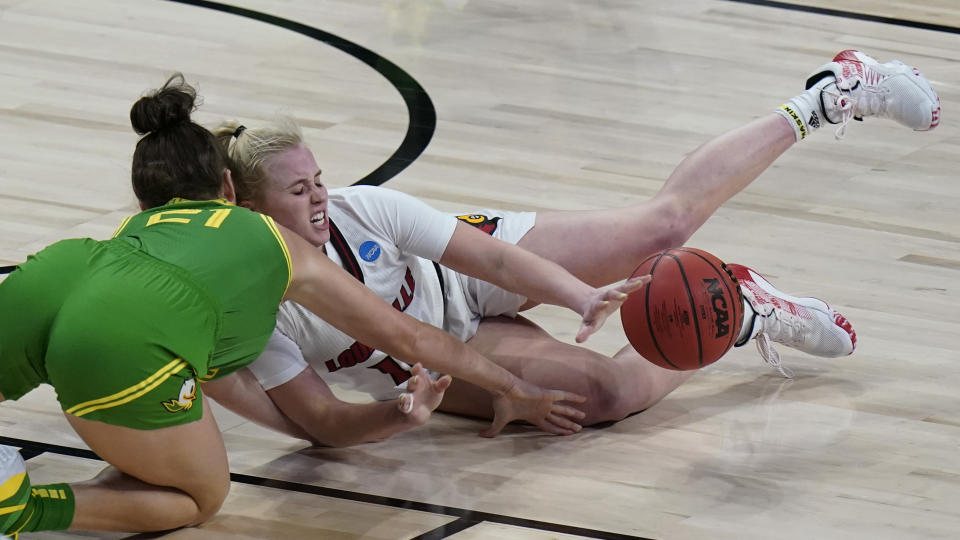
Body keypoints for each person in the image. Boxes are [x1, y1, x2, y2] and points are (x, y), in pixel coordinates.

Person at [0, 75, 641, 536]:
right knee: (198, 498)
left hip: (61, 272)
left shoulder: (132, 234)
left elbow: (307, 419)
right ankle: (22, 509)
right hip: (121, 342)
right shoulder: (269, 242)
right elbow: (408, 340)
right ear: (229, 190)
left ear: (148, 203)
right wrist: (511, 387)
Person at [202, 49, 940, 447]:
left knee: (660, 231)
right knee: (604, 398)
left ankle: (832, 92)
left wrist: (581, 294)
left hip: (462, 278)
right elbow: (323, 423)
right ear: (247, 206)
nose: (322, 196)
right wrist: (405, 416)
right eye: (299, 192)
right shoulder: (254, 310)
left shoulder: (367, 210)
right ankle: (739, 307)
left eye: (319, 178)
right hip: (427, 356)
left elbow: (490, 261)